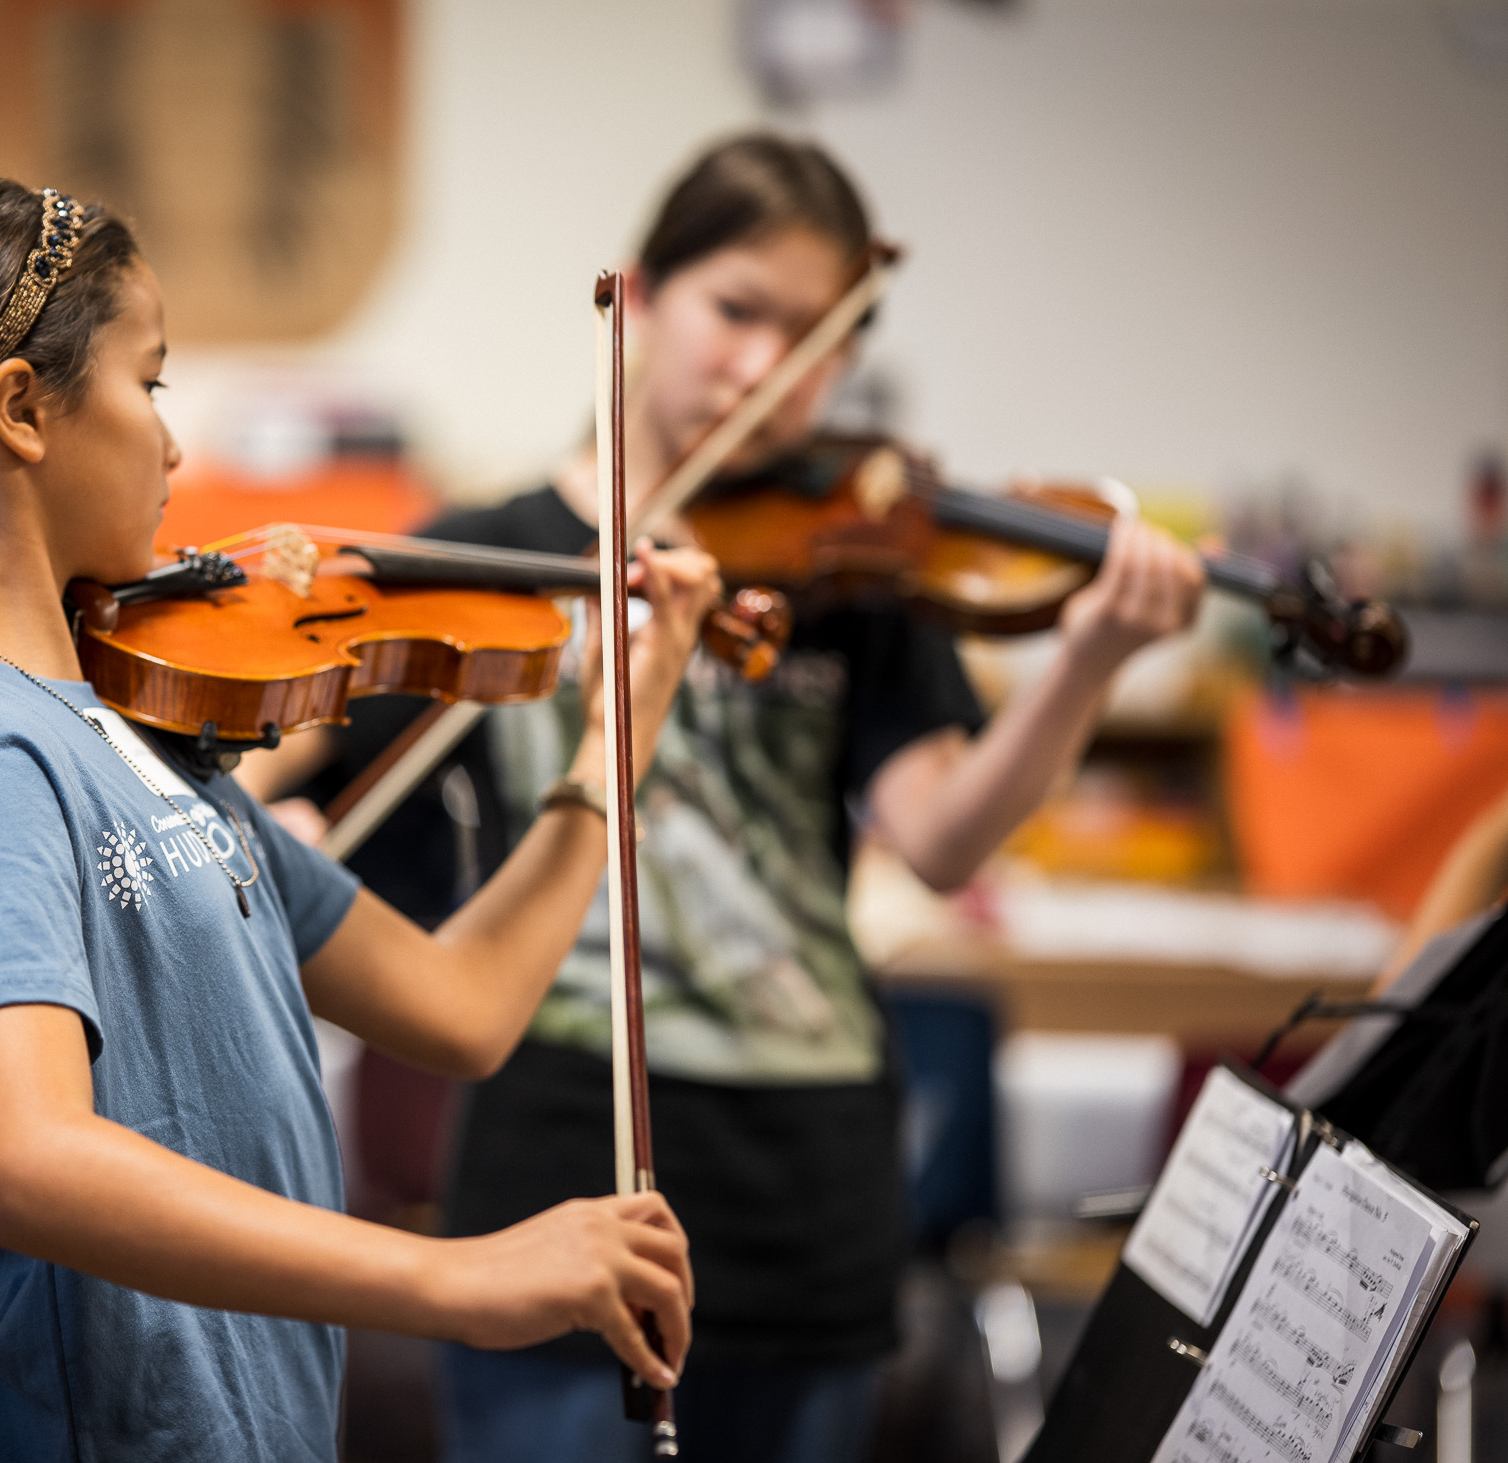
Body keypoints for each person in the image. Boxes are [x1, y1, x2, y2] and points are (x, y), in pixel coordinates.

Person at [237, 133, 1207, 1463]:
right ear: (637, 296)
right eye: (738, 311)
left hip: (810, 1190)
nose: (766, 369)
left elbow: (939, 835)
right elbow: (282, 790)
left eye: (816, 340)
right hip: (557, 1166)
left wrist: (1089, 654)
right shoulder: (496, 557)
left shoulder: (851, 565)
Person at [0, 178, 726, 1463]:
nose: (173, 443)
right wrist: (462, 1278)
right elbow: (26, 1158)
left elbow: (462, 1004)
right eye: (148, 383)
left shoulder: (133, 734)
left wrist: (615, 738)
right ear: (22, 409)